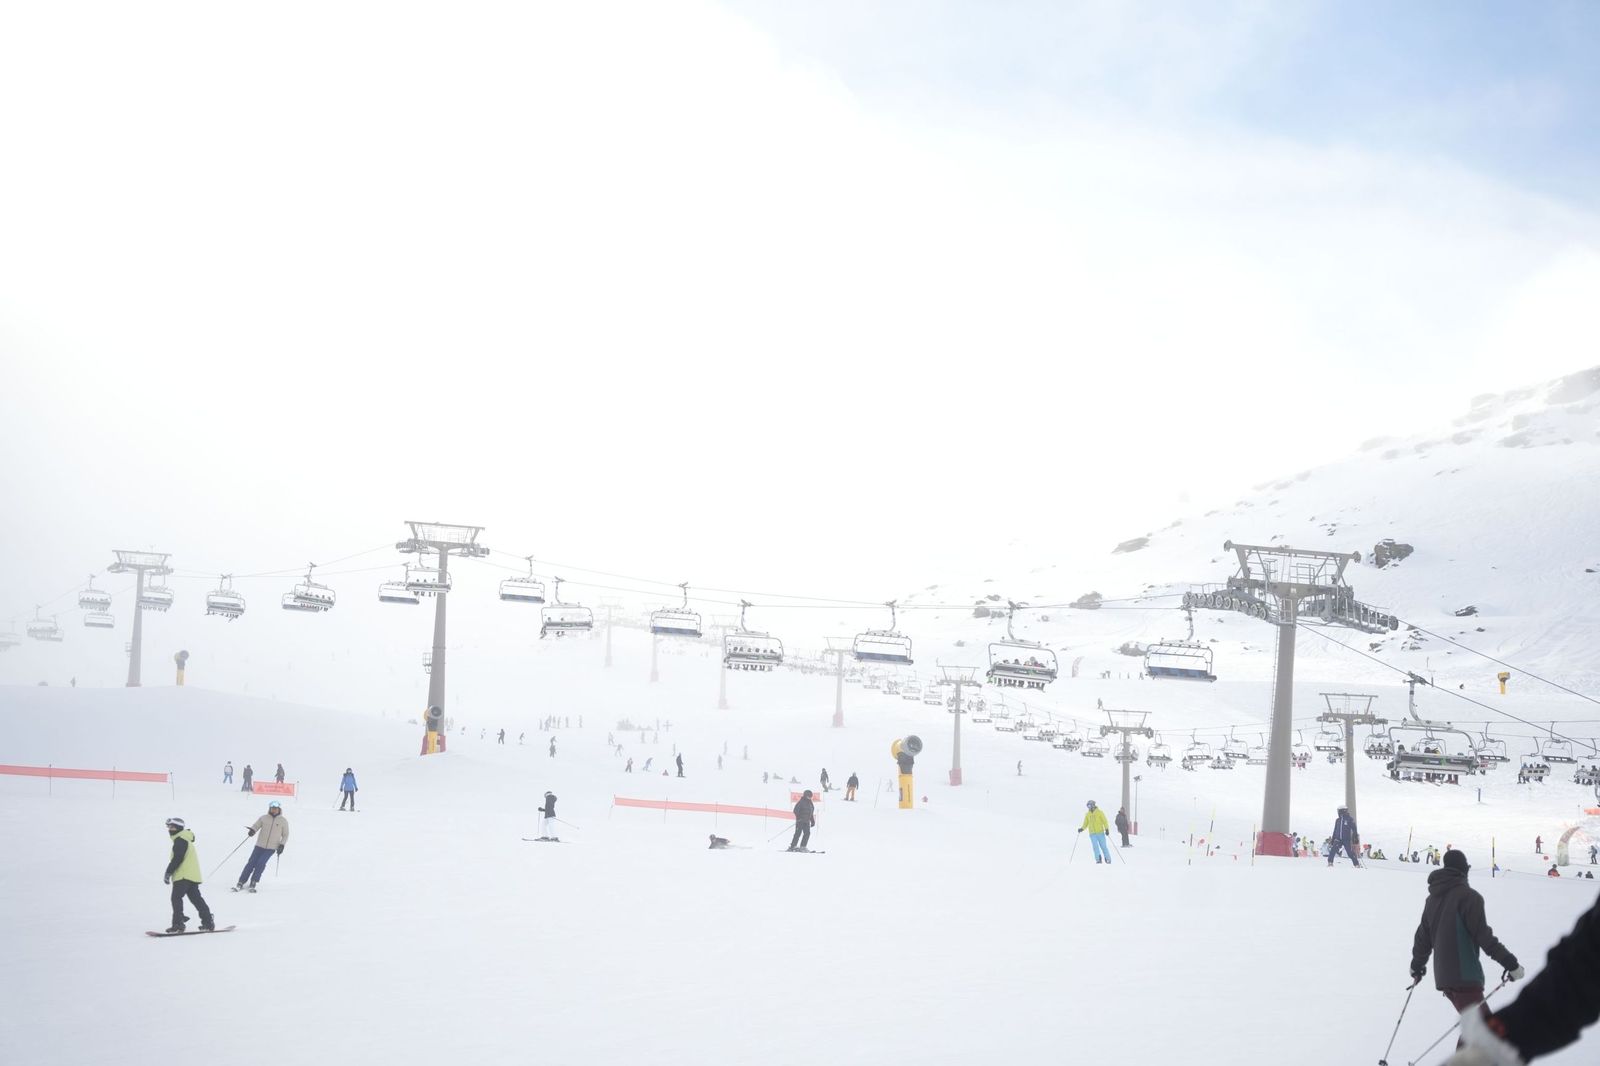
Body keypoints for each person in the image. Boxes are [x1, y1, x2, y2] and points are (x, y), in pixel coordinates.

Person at [1411, 849, 1523, 1021]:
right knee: (1484, 1031)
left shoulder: (1432, 899)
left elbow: (1422, 938)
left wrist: (1417, 965)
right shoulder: (1469, 897)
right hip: (1464, 977)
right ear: (1464, 870)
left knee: (1478, 1030)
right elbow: (1484, 936)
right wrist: (1510, 963)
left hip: (1445, 977)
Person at [163, 817, 215, 933]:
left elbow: (177, 858)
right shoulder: (185, 838)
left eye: (172, 827)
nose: (170, 829)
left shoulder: (180, 840)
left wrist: (168, 872)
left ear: (178, 828)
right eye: (169, 827)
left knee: (176, 898)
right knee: (196, 899)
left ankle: (178, 924)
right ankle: (208, 921)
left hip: (183, 875)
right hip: (192, 875)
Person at [235, 800, 290, 893]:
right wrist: (252, 830)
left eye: (276, 809)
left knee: (260, 863)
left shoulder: (283, 821)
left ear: (279, 809)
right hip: (259, 845)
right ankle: (241, 881)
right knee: (251, 863)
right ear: (270, 809)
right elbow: (256, 826)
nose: (274, 810)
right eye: (272, 808)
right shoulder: (264, 818)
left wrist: (282, 845)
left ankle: (254, 881)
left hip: (271, 848)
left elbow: (285, 834)